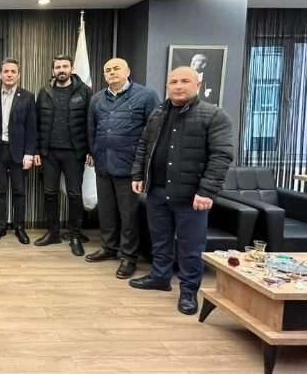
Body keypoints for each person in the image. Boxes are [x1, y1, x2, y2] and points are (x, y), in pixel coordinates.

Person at [129, 66, 233, 315]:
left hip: (191, 196)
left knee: (190, 247)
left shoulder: (214, 115)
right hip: (157, 191)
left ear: (198, 85)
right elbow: (144, 145)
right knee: (160, 240)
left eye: (185, 81)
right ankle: (160, 277)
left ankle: (188, 291)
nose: (178, 86)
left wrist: (207, 191)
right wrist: (138, 174)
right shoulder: (158, 113)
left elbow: (221, 156)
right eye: (173, 81)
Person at [86, 58, 159, 279]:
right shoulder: (97, 99)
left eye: (116, 68)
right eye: (107, 70)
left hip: (129, 167)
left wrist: (143, 165)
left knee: (129, 215)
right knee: (106, 212)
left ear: (128, 71)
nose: (111, 72)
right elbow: (92, 129)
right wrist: (93, 152)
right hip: (103, 164)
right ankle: (109, 247)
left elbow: (153, 131)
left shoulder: (146, 96)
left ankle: (128, 256)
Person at [33, 55, 92, 255]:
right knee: (50, 193)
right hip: (49, 153)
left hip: (75, 152)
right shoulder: (45, 91)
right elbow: (37, 122)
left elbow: (90, 122)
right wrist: (37, 150)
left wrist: (90, 149)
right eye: (57, 67)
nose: (61, 70)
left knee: (75, 195)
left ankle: (75, 235)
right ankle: (53, 233)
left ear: (71, 68)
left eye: (65, 66)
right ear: (53, 70)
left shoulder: (84, 91)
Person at [0, 58, 37, 245]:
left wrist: (29, 153)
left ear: (18, 75)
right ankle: (0, 227)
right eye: (6, 71)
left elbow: (32, 127)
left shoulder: (28, 97)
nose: (9, 74)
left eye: (13, 71)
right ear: (0, 74)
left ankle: (19, 227)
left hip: (19, 152)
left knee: (19, 191)